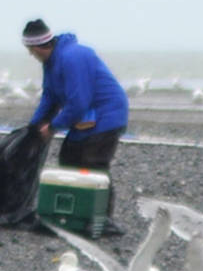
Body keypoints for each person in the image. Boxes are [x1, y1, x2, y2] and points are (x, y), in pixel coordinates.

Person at [23, 18, 129, 229]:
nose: (30, 54)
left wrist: (53, 127)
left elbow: (78, 103)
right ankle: (73, 214)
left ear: (38, 46)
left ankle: (102, 219)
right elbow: (50, 97)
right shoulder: (51, 62)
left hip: (107, 116)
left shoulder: (73, 57)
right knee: (69, 159)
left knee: (93, 164)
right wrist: (34, 127)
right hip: (85, 120)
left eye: (30, 49)